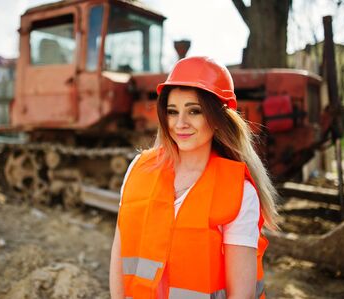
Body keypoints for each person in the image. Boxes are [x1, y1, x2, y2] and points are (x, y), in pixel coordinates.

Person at [109, 56, 278, 299]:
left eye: (194, 111)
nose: (180, 123)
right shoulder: (139, 168)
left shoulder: (238, 191)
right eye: (172, 112)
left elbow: (241, 295)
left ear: (218, 119)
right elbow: (120, 251)